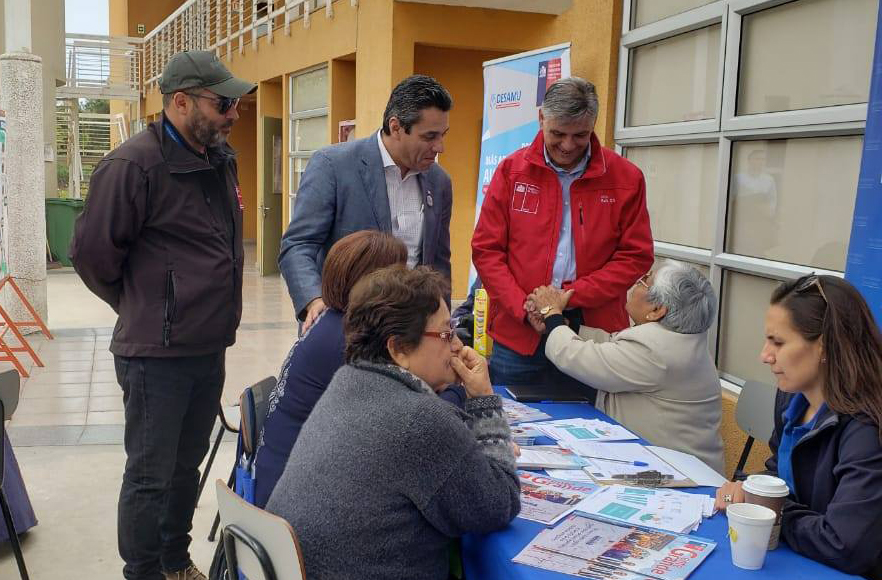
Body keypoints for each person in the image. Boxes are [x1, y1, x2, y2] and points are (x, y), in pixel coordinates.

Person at [69, 50, 256, 580]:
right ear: (180, 101)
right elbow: (92, 255)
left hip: (207, 345)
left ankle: (175, 560)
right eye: (223, 103)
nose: (233, 113)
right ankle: (144, 571)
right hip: (155, 354)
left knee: (185, 466)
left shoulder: (221, 159)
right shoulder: (132, 166)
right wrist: (147, 306)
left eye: (237, 103)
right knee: (150, 475)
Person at [265, 266, 520, 580]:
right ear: (398, 348)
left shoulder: (347, 380)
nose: (456, 345)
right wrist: (483, 398)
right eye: (446, 333)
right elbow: (499, 503)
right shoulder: (419, 419)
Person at [253, 230, 465, 508]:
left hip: (282, 486)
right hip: (294, 507)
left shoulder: (332, 319)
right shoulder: (348, 340)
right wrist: (459, 390)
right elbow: (417, 420)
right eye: (398, 274)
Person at [471, 76, 653, 396]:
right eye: (558, 133)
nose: (568, 145)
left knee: (590, 432)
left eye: (580, 135)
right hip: (518, 334)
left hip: (590, 335)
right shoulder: (511, 172)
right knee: (508, 429)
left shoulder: (626, 178)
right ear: (541, 118)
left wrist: (570, 296)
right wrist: (524, 308)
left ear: (593, 124)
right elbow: (487, 250)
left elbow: (636, 256)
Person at [715, 275, 882, 579]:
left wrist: (769, 511)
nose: (764, 355)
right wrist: (747, 490)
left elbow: (846, 545)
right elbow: (781, 476)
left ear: (826, 346)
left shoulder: (866, 430)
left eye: (778, 342)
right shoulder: (792, 400)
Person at [279, 75, 454, 332]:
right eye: (429, 137)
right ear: (395, 127)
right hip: (345, 329)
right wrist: (314, 300)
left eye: (442, 135)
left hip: (408, 334)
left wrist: (443, 328)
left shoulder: (439, 182)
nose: (440, 147)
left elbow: (439, 263)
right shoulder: (333, 166)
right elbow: (298, 244)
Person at [529, 260, 725, 474]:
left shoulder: (656, 352)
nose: (636, 283)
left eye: (644, 282)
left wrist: (551, 312)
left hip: (677, 476)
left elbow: (577, 357)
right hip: (679, 466)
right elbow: (613, 345)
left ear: (657, 310)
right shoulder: (680, 339)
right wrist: (564, 326)